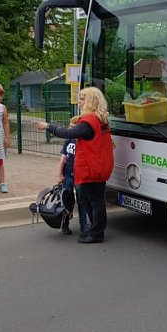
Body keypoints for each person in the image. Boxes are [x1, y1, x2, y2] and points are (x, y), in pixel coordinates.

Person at [36, 87, 114, 243]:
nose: (79, 102)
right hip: (98, 164)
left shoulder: (90, 121)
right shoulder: (99, 119)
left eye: (82, 99)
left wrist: (48, 127)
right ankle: (94, 230)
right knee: (90, 199)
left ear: (91, 101)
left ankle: (97, 233)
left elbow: (69, 133)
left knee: (94, 200)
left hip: (93, 167)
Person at [57, 132, 89, 236]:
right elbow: (63, 158)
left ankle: (83, 225)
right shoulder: (68, 140)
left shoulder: (83, 141)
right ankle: (65, 224)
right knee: (67, 200)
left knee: (82, 201)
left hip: (80, 176)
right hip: (68, 175)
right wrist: (59, 174)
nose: (70, 129)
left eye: (72, 127)